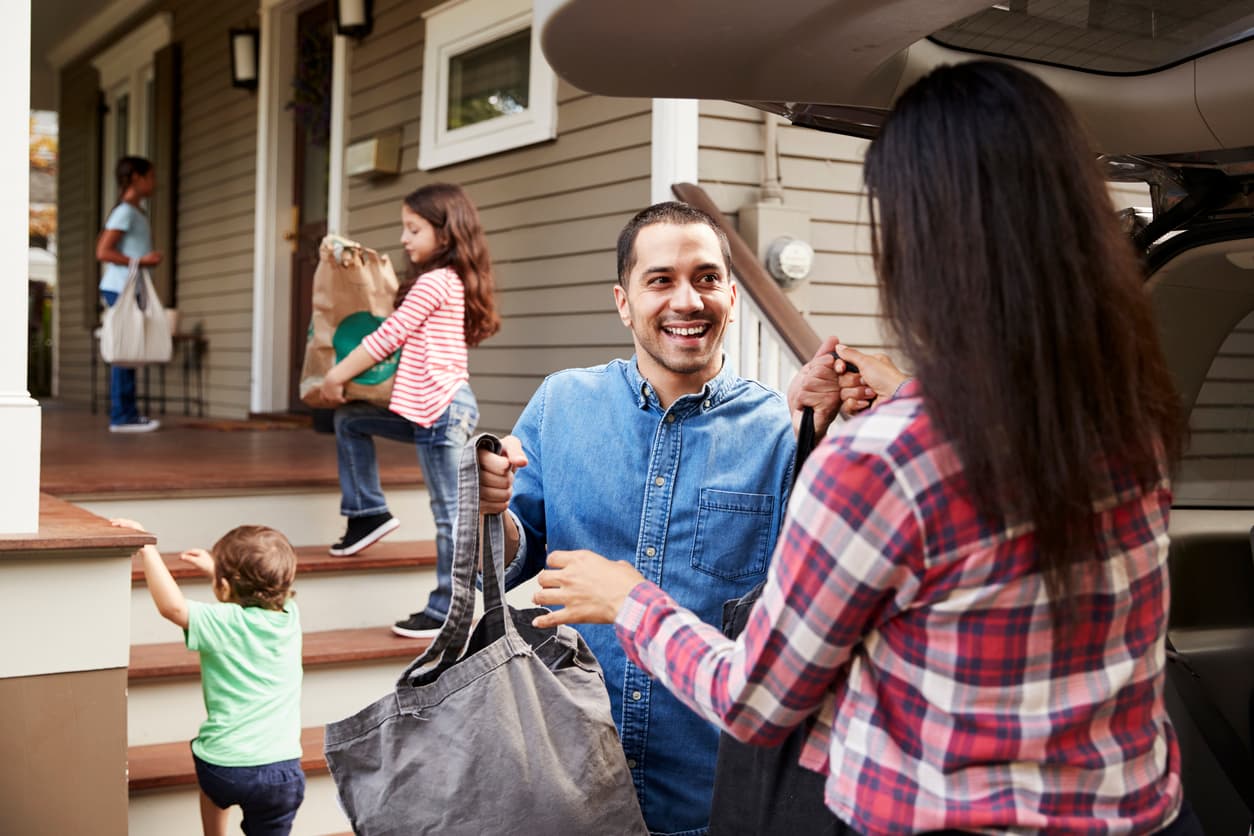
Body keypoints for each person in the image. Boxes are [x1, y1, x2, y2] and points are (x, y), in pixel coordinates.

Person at [527, 61, 1202, 836]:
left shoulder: (881, 460)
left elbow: (758, 700)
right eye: (659, 281)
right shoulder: (1128, 419)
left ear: (922, 242)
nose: (686, 300)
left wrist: (628, 602)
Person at [476, 201, 866, 835]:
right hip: (567, 784)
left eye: (707, 278)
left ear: (733, 298)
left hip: (709, 797)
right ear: (623, 301)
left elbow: (817, 604)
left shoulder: (783, 431)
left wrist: (832, 440)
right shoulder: (561, 403)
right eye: (660, 280)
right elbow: (500, 563)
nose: (687, 300)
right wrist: (490, 508)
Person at [320, 182, 500, 639]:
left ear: (445, 234)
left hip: (442, 412)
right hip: (427, 409)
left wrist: (337, 375)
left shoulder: (437, 281)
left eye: (413, 229)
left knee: (448, 513)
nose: (404, 238)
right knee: (349, 420)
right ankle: (368, 512)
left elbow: (387, 338)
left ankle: (449, 610)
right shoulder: (443, 281)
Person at [114, 519, 305, 836]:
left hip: (225, 768)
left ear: (226, 587)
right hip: (282, 772)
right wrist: (218, 572)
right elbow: (260, 589)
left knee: (213, 789)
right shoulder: (289, 616)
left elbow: (173, 607)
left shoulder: (222, 621)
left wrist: (148, 550)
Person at [95, 155, 162, 433]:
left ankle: (128, 413)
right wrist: (141, 262)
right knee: (124, 349)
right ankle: (122, 416)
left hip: (129, 287)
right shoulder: (124, 212)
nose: (154, 182)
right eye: (151, 176)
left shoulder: (136, 213)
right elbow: (103, 251)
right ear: (136, 177)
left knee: (130, 349)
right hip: (120, 288)